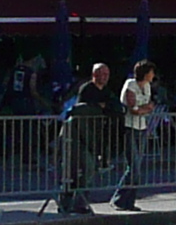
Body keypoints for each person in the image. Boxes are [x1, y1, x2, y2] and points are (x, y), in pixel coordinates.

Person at [65, 62, 122, 212]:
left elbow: (116, 108)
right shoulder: (87, 89)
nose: (104, 78)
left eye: (106, 75)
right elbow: (85, 109)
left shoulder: (108, 92)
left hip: (97, 137)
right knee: (80, 169)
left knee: (88, 171)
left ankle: (79, 202)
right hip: (80, 136)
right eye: (101, 74)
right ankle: (72, 203)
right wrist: (100, 107)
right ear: (94, 75)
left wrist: (104, 107)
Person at [116, 61, 159, 209]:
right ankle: (120, 197)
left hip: (142, 127)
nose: (153, 75)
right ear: (146, 73)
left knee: (137, 167)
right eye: (151, 72)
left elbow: (149, 107)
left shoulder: (147, 87)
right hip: (129, 127)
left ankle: (129, 201)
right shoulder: (131, 84)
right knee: (133, 166)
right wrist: (144, 108)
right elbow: (133, 109)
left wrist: (144, 109)